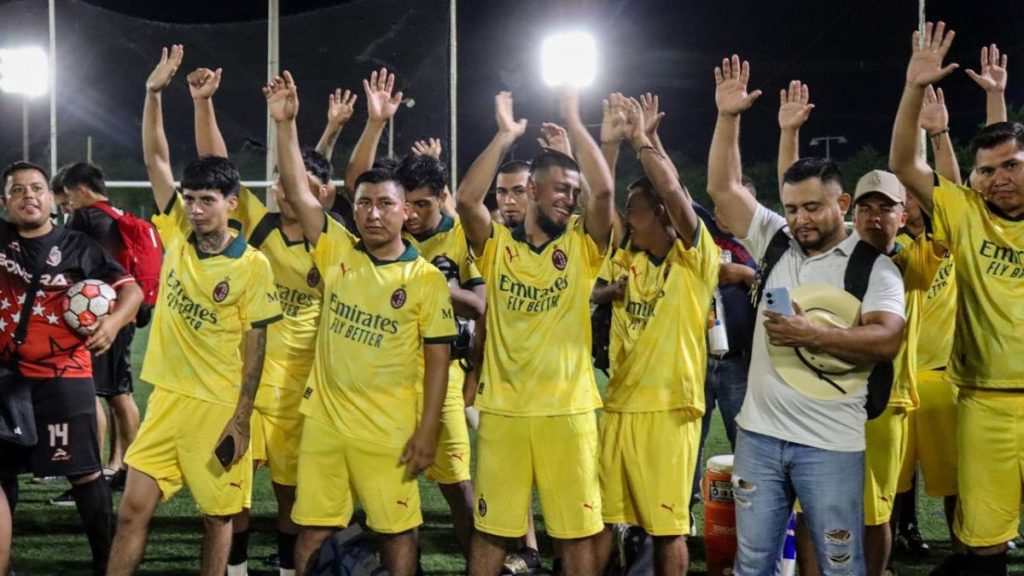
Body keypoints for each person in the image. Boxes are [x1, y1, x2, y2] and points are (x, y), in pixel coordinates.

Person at [706, 54, 905, 576]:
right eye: (792, 208)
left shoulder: (873, 268)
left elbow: (886, 340)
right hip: (759, 438)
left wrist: (810, 334)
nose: (800, 219)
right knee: (753, 563)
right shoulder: (776, 242)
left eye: (812, 207)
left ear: (842, 203)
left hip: (832, 446)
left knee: (840, 565)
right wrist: (728, 119)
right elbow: (723, 191)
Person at [265, 71, 455, 576]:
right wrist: (285, 126)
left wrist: (427, 431)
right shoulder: (335, 249)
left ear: (404, 215)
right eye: (365, 203)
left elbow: (439, 360)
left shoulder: (424, 279)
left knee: (397, 530)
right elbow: (302, 197)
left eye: (385, 204)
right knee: (313, 527)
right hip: (325, 423)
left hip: (389, 431)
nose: (373, 214)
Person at [107, 45, 282, 576]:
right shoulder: (178, 236)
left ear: (232, 203)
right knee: (132, 511)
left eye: (207, 199)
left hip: (216, 407)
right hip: (166, 401)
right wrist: (154, 93)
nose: (195, 207)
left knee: (217, 518)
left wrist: (241, 420)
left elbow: (257, 343)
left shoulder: (251, 266)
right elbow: (155, 158)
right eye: (191, 198)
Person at [457, 88, 615, 575]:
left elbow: (604, 193)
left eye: (573, 190)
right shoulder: (498, 246)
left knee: (578, 534)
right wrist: (505, 136)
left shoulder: (583, 249)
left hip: (567, 413)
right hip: (504, 412)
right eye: (561, 189)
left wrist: (573, 120)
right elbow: (466, 199)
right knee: (492, 531)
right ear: (531, 192)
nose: (570, 198)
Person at [186, 63, 335, 576]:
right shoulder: (260, 225)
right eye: (280, 180)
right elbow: (216, 164)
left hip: (300, 389)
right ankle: (236, 569)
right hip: (246, 383)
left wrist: (327, 129)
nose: (284, 188)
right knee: (236, 486)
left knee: (291, 491)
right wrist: (204, 103)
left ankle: (293, 569)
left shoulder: (328, 243)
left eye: (297, 183)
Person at [889, 22, 1024, 576]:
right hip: (985, 402)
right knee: (984, 544)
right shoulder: (966, 216)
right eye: (986, 172)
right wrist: (913, 88)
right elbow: (904, 165)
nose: (997, 180)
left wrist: (996, 97)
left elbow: (1006, 140)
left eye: (1011, 167)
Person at [592, 97, 720, 576]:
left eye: (635, 211)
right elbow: (601, 208)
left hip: (669, 410)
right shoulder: (628, 261)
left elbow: (671, 190)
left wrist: (641, 140)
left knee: (668, 529)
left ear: (663, 216)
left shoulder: (694, 260)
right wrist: (609, 145)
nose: (628, 219)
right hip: (620, 405)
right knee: (603, 520)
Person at [0, 160, 143, 576]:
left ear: (52, 199)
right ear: (6, 201)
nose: (29, 195)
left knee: (84, 474)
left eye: (37, 188)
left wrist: (114, 324)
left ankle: (106, 563)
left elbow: (130, 291)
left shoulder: (80, 247)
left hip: (64, 379)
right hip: (7, 381)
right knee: (3, 473)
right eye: (18, 190)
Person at [60, 162, 143, 493]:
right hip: (125, 312)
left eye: (68, 197)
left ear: (81, 190)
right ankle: (122, 465)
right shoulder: (118, 214)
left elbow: (61, 257)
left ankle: (90, 474)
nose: (67, 205)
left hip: (96, 317)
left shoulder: (85, 216)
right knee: (119, 392)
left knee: (90, 392)